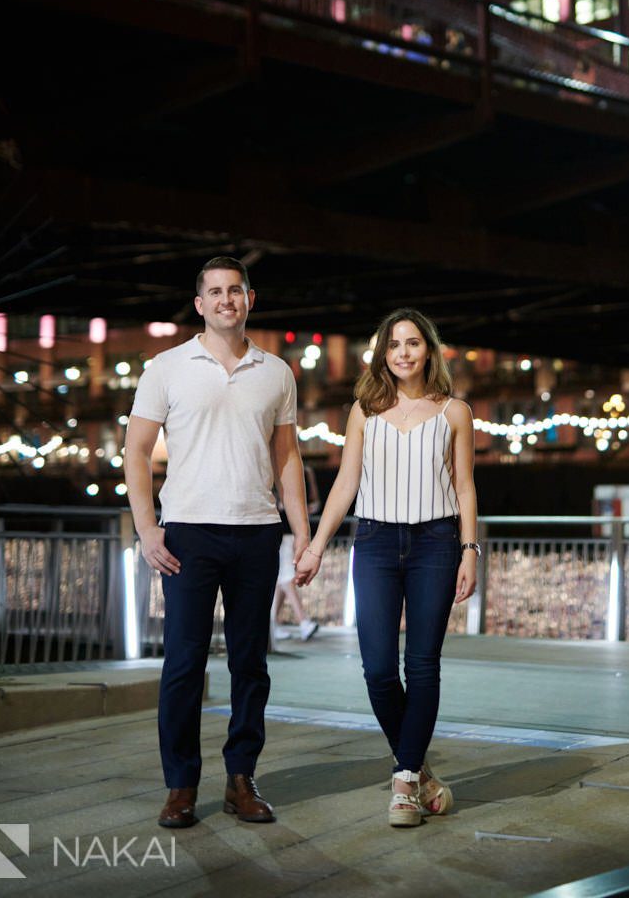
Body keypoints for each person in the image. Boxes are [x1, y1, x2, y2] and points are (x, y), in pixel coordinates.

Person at [124, 256, 311, 829]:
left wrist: (302, 531)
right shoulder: (166, 367)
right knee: (183, 663)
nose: (226, 299)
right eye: (215, 292)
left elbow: (286, 458)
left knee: (251, 663)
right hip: (188, 532)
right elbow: (135, 451)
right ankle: (181, 786)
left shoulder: (277, 372)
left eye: (236, 290)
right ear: (200, 304)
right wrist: (147, 526)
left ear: (249, 300)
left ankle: (240, 779)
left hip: (257, 532)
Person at [296, 308, 479, 828]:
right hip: (373, 542)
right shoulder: (364, 410)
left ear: (429, 350)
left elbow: (465, 487)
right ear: (383, 355)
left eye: (413, 343)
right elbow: (345, 485)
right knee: (377, 669)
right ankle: (421, 772)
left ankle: (403, 783)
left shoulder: (454, 412)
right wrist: (315, 547)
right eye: (394, 344)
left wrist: (470, 549)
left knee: (421, 666)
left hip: (436, 544)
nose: (403, 352)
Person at [272, 465, 320, 642]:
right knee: (286, 578)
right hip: (283, 533)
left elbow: (314, 502)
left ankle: (272, 624)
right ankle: (303, 621)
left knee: (282, 580)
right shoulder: (279, 469)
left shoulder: (305, 471)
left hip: (295, 533)